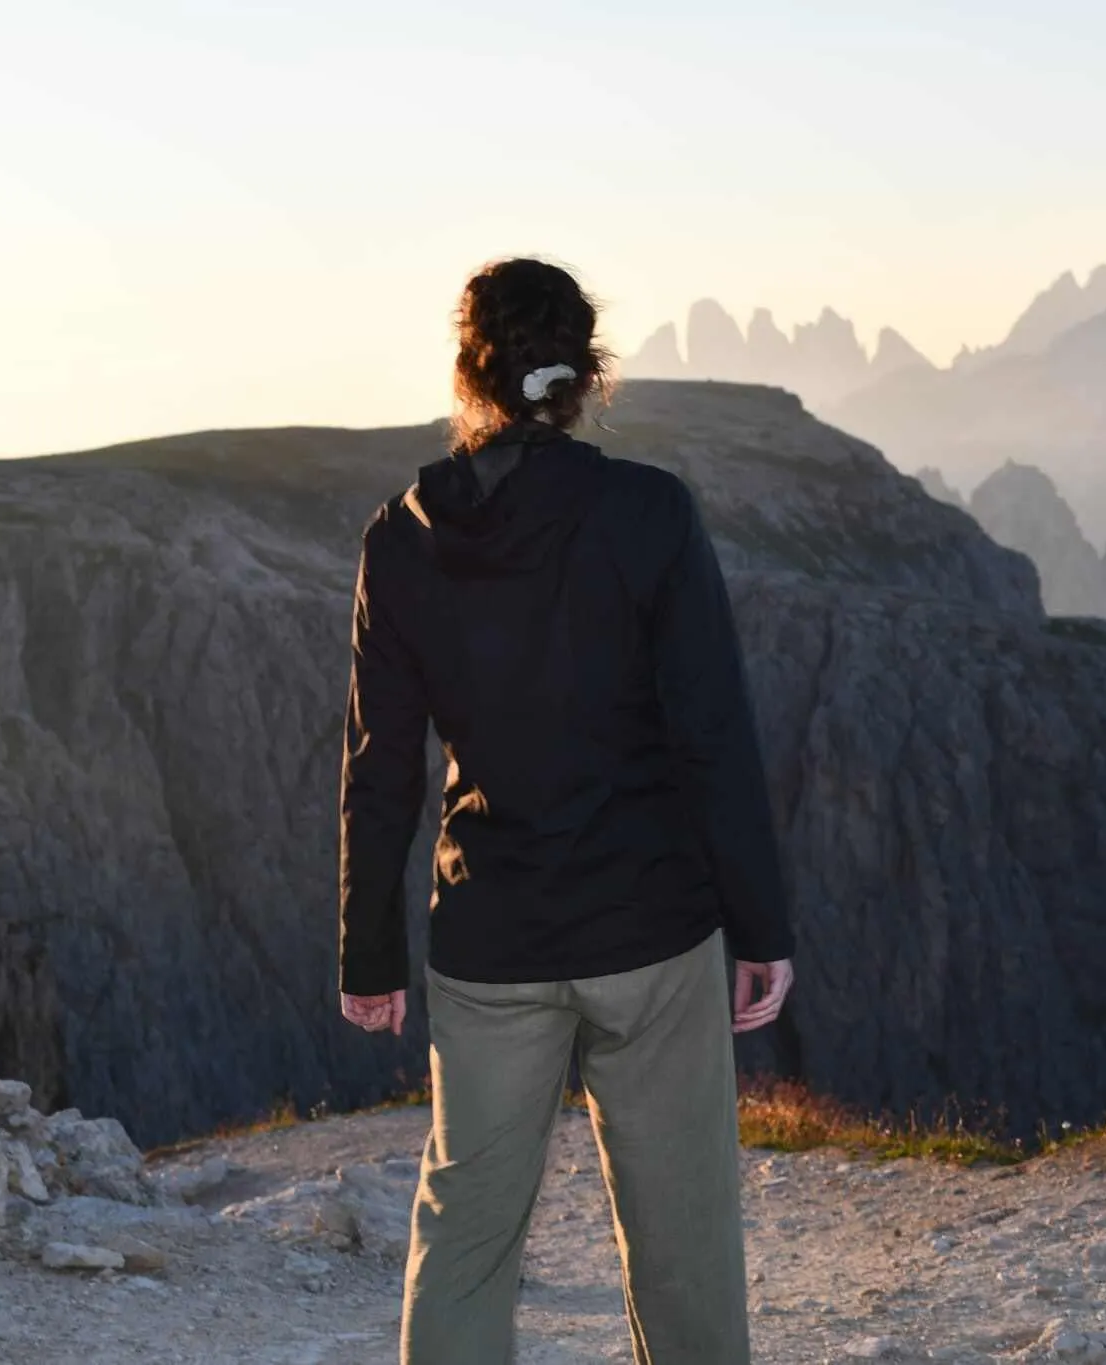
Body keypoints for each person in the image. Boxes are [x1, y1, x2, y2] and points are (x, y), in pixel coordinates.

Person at [335, 256, 796, 1364]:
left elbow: (380, 764)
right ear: (586, 374)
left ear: (469, 374)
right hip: (651, 929)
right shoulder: (647, 515)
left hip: (489, 938)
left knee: (466, 1237)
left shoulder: (398, 543)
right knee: (679, 1235)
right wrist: (761, 927)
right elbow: (712, 737)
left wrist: (367, 954)